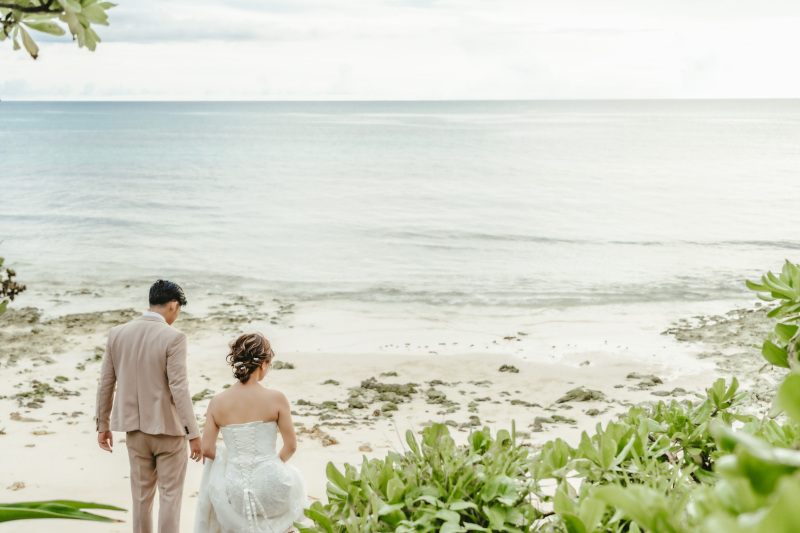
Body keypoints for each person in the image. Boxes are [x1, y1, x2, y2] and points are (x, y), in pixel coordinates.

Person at [95, 280, 202, 533]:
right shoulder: (174, 337)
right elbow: (179, 389)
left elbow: (105, 383)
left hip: (134, 432)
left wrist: (103, 425)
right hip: (169, 432)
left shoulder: (117, 333)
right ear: (173, 306)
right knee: (170, 498)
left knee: (141, 499)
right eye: (178, 310)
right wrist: (193, 434)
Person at [194, 333, 307, 533]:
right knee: (296, 480)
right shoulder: (277, 398)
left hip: (237, 489)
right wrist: (271, 466)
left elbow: (207, 449)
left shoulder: (217, 402)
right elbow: (291, 446)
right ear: (263, 364)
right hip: (273, 484)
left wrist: (232, 461)